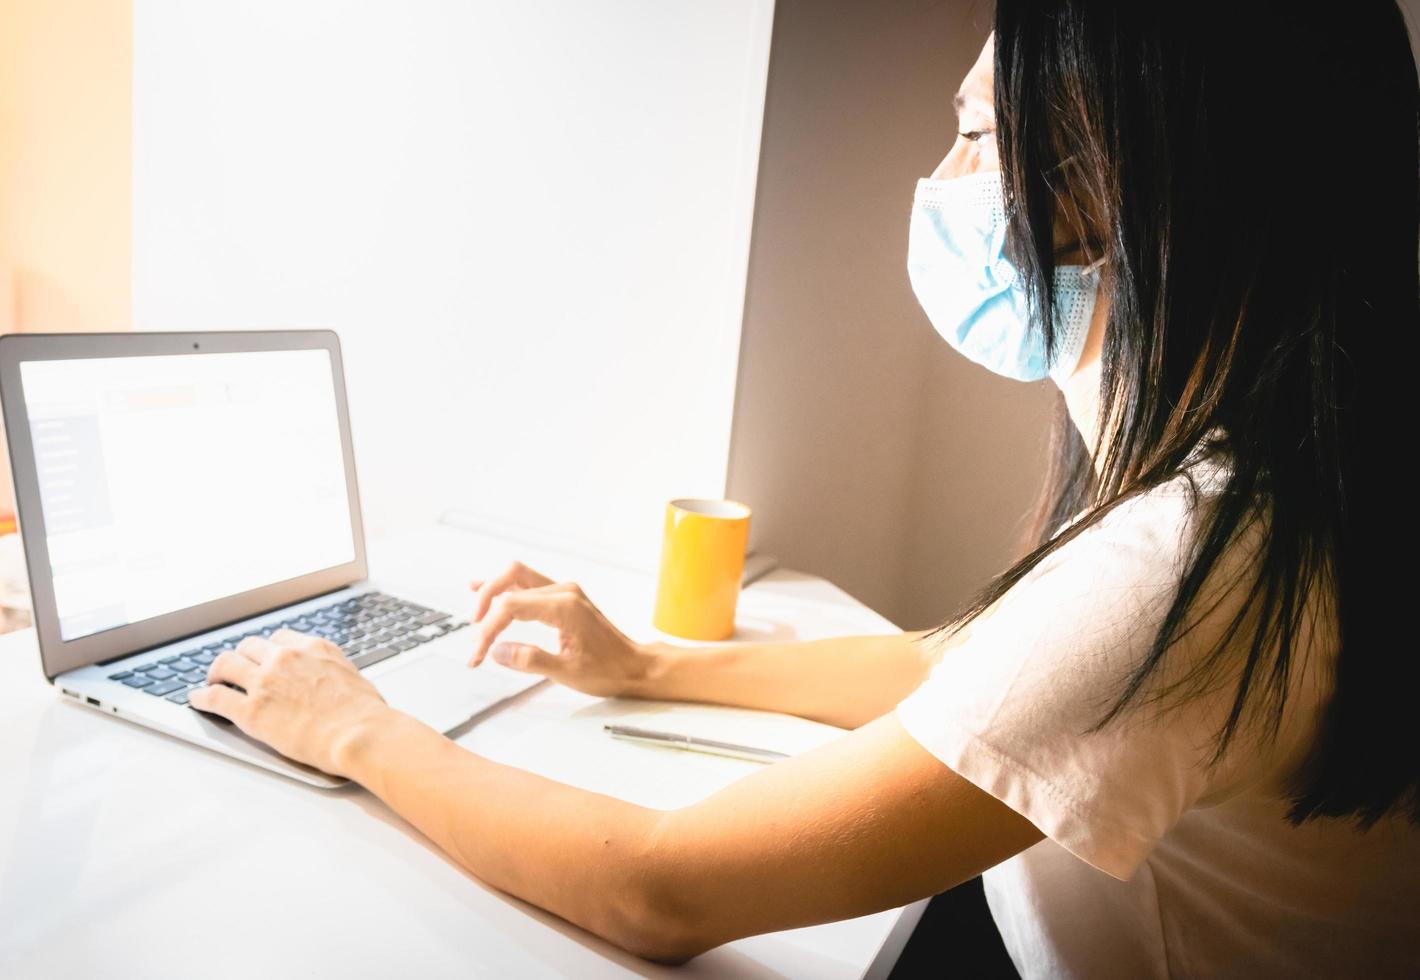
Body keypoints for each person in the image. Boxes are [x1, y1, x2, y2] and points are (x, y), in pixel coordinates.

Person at [192, 2, 1419, 975]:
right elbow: (968, 659)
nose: (942, 176)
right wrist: (653, 666)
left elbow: (658, 884)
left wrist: (357, 729)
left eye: (978, 135)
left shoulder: (1178, 568)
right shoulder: (1277, 479)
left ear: (1127, 180)